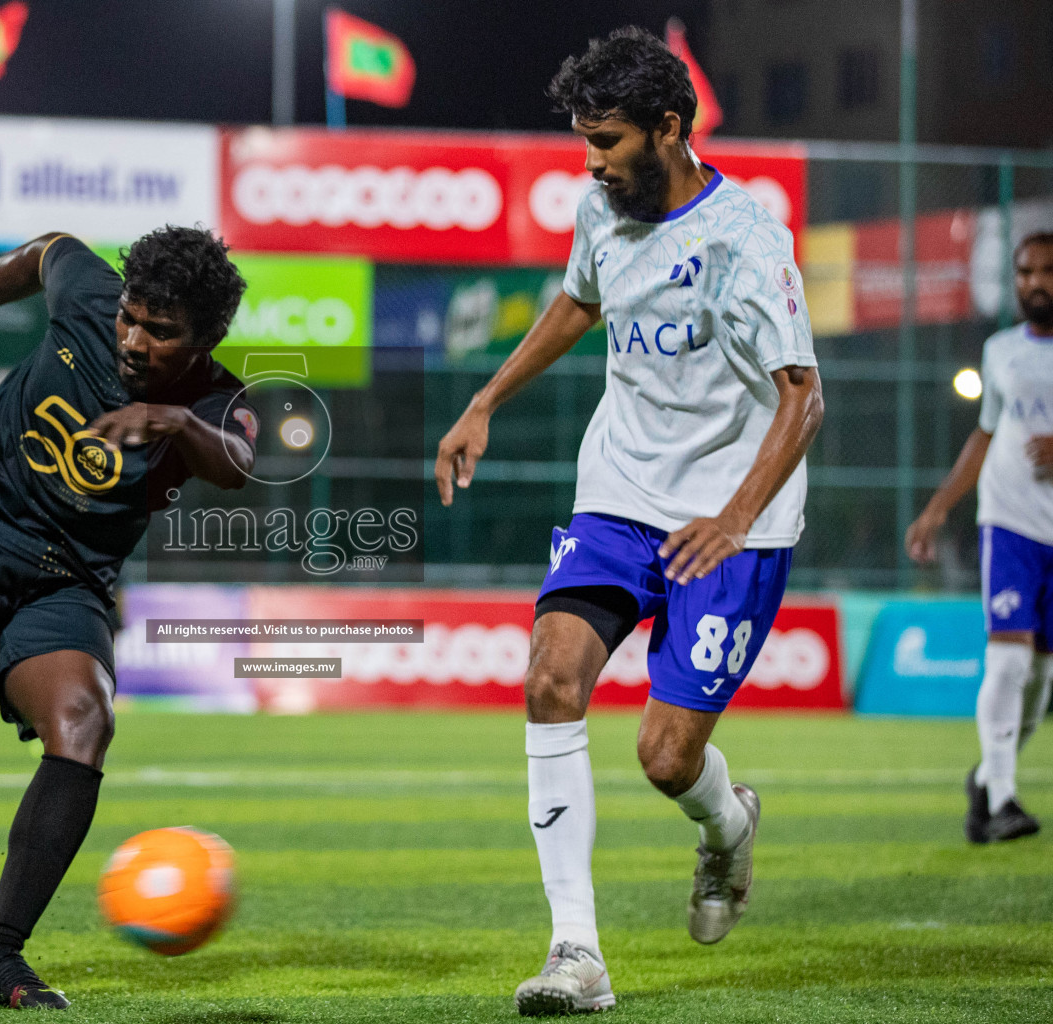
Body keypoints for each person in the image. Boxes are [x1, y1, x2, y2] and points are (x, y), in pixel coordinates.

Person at [435, 27, 823, 1016]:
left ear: (669, 128)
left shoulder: (748, 238)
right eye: (583, 142)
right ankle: (576, 953)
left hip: (733, 518)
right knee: (550, 677)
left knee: (666, 758)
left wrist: (735, 517)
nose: (592, 162)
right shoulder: (601, 208)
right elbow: (577, 303)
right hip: (617, 493)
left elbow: (803, 399)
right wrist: (486, 399)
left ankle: (726, 823)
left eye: (607, 141)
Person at [0, 226, 254, 1010]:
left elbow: (238, 465)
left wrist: (172, 422)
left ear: (205, 338)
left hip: (63, 577)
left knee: (84, 719)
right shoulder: (88, 295)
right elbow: (45, 249)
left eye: (161, 331)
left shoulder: (213, 399)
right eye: (130, 318)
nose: (135, 340)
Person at [906, 231, 1053, 844]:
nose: (1033, 282)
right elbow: (986, 435)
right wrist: (938, 508)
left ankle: (987, 780)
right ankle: (1002, 799)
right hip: (1011, 521)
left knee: (1040, 686)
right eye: (1023, 272)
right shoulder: (999, 352)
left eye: (1045, 271)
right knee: (1010, 657)